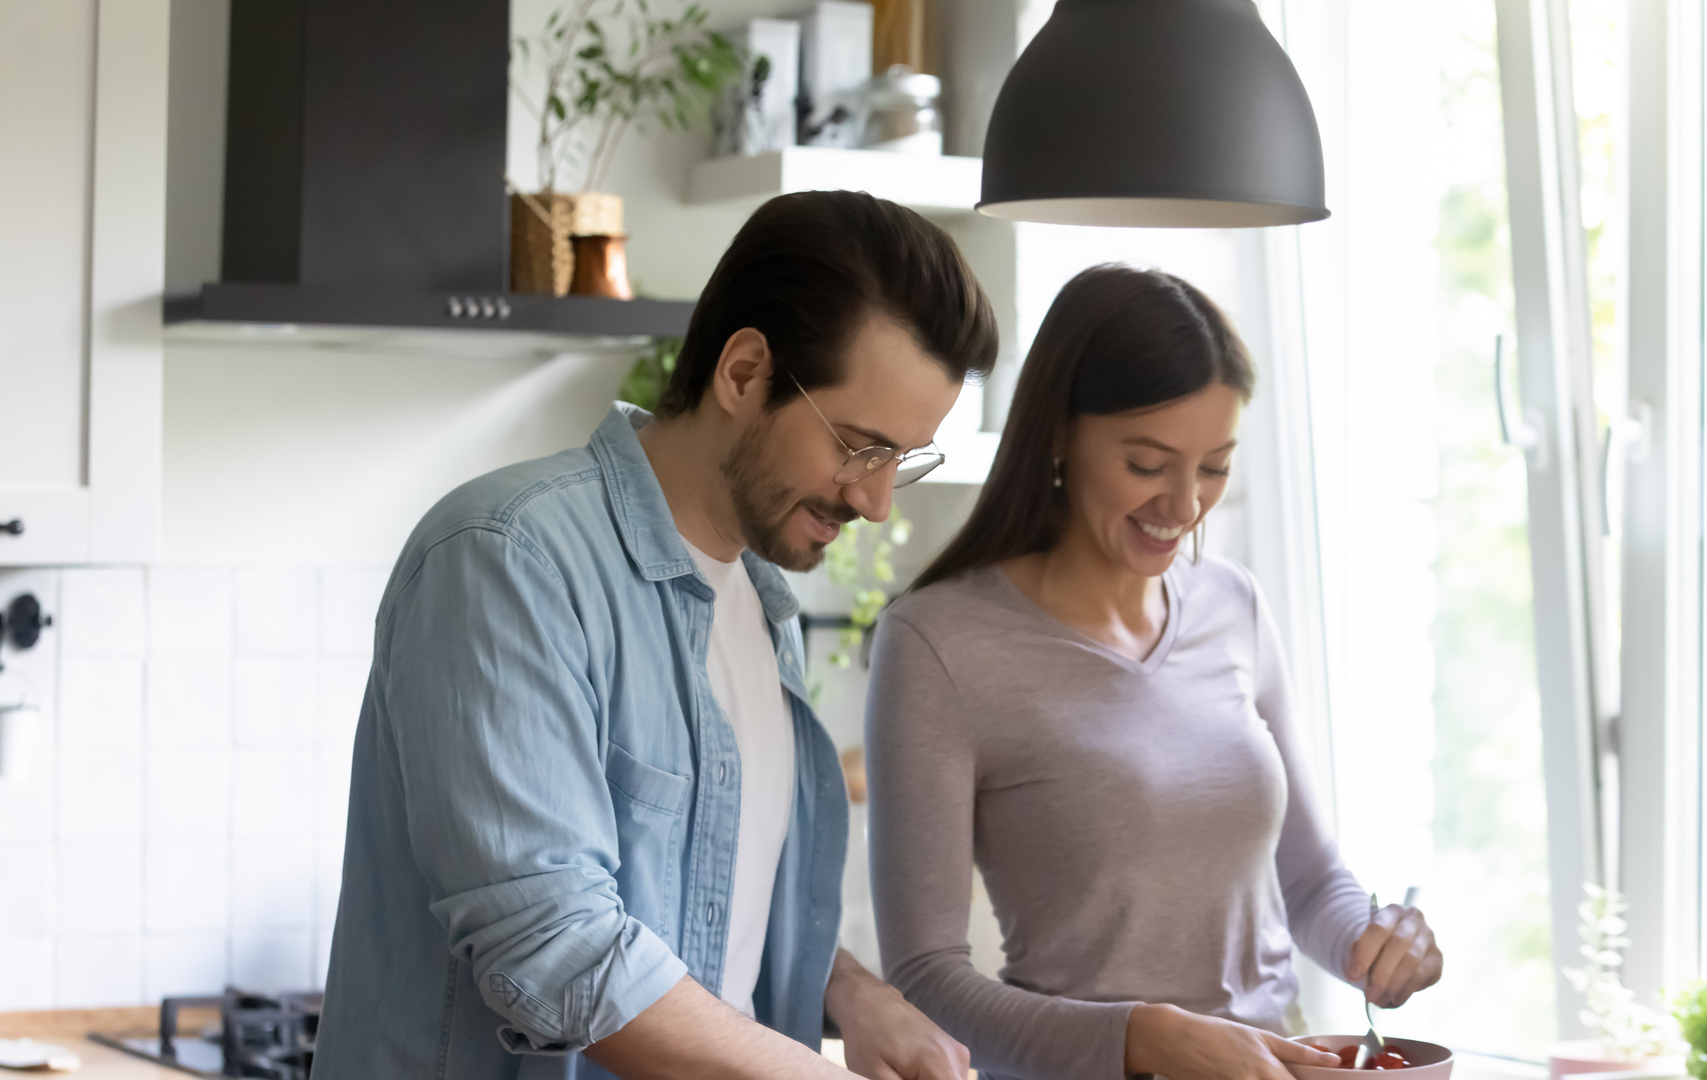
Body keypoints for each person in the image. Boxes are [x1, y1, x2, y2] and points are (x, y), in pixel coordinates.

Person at [313, 190, 998, 1080]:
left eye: (901, 461)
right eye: (862, 448)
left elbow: (706, 906)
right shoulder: (506, 559)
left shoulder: (761, 605)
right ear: (744, 372)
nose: (874, 500)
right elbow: (558, 951)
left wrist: (853, 993)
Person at [864, 265, 1444, 1080]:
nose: (1184, 504)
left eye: (1214, 467)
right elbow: (925, 980)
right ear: (1059, 433)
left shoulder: (1232, 604)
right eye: (1147, 464)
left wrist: (1377, 940)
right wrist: (1135, 1037)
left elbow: (1309, 880)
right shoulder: (938, 642)